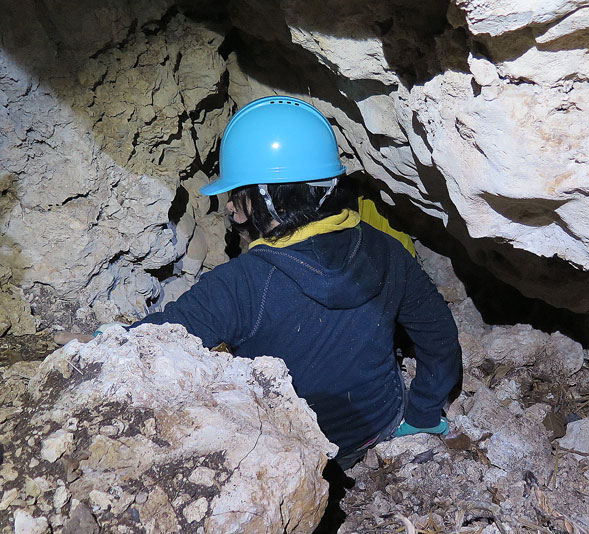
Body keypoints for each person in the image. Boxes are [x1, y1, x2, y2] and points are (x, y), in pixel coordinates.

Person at [133, 96, 462, 469]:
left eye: (237, 196)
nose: (228, 207)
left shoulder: (241, 283)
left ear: (270, 202)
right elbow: (439, 336)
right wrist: (421, 415)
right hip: (379, 426)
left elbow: (150, 343)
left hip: (296, 455)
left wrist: (101, 340)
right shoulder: (387, 250)